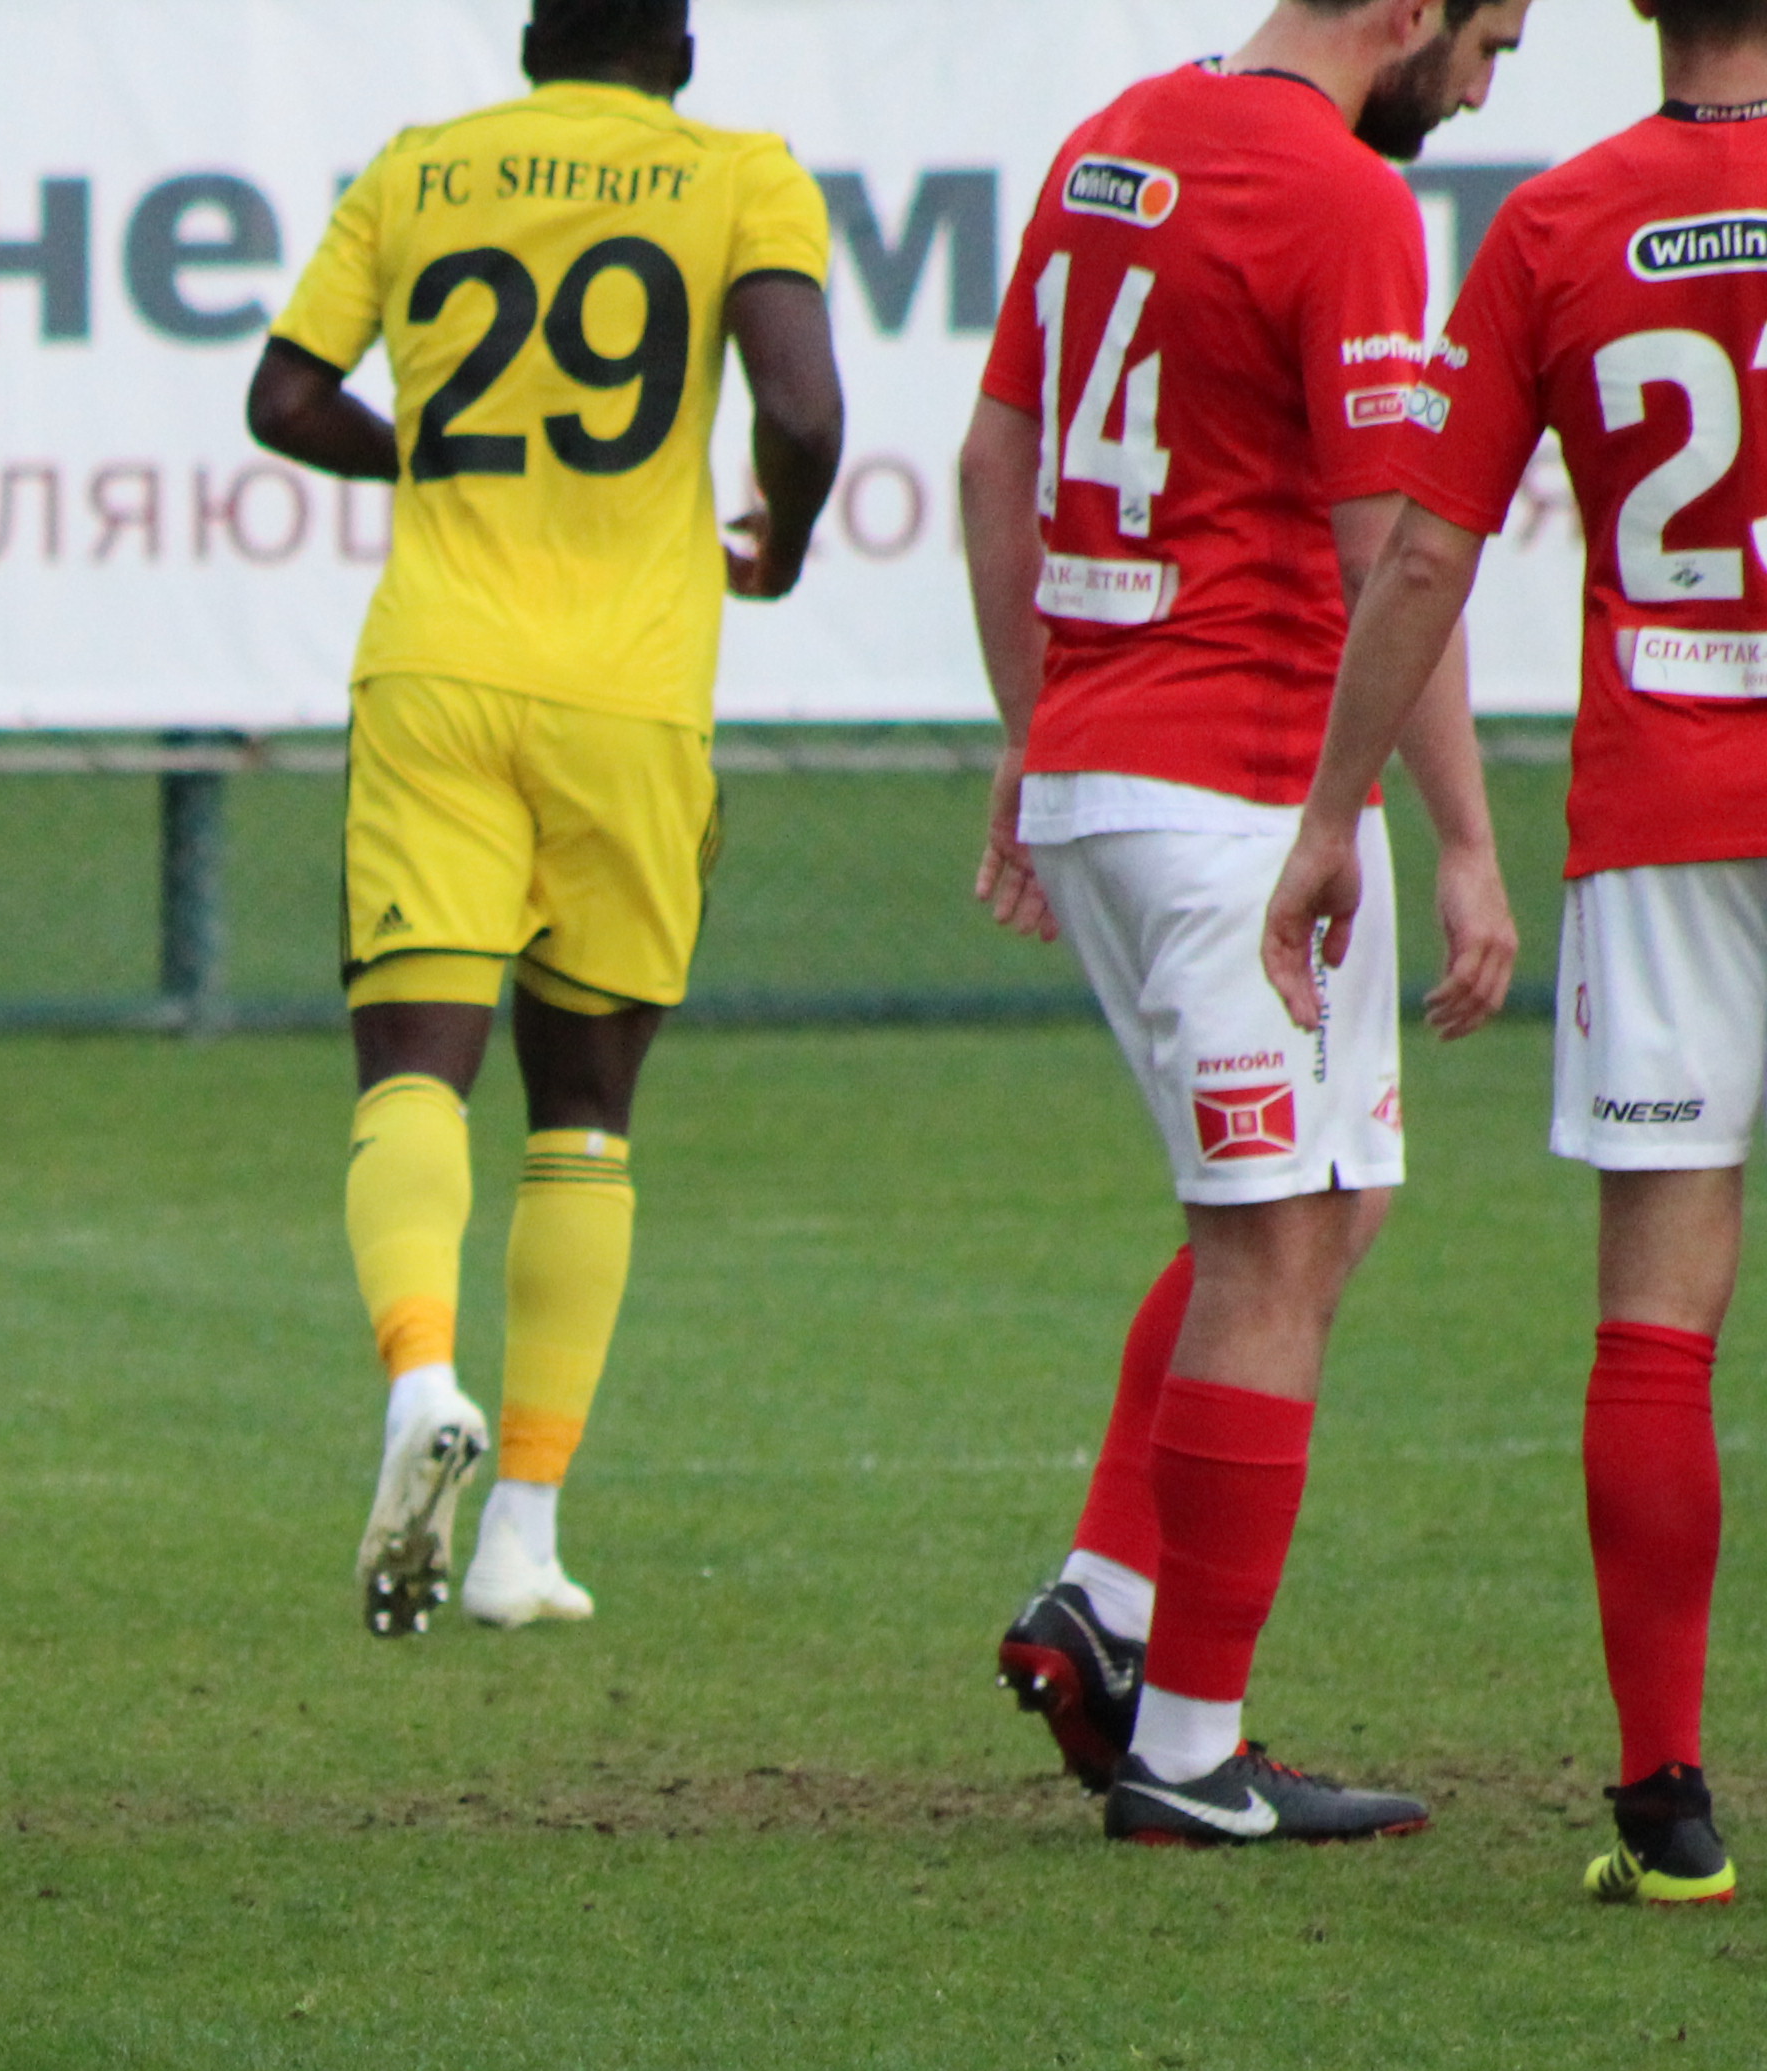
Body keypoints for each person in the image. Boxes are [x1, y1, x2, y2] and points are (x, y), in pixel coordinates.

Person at [968, 0, 1531, 1847]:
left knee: (1319, 1205)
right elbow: (1397, 554)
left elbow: (991, 460)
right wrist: (1459, 837)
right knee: (1274, 1239)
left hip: (1112, 771)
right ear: (1405, 8)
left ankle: (1103, 1604)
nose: (1480, 84)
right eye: (1487, 41)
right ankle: (1188, 1752)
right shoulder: (1341, 195)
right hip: (1233, 791)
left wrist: (1028, 730)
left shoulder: (1116, 135)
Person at [247, 0, 845, 1639]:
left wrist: (434, 460)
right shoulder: (739, 172)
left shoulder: (420, 169)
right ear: (680, 51)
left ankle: (416, 1381)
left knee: (411, 1072)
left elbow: (283, 399)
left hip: (439, 672)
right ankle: (521, 1529)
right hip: (631, 697)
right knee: (582, 1114)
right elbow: (800, 415)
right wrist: (783, 543)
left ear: (529, 40)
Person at [1263, 0, 1767, 1906]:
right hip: (1667, 813)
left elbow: (1418, 553)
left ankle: (1663, 1809)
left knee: (1653, 1315)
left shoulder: (1554, 225)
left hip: (1662, 818)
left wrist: (1332, 814)